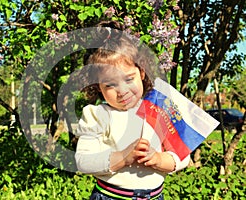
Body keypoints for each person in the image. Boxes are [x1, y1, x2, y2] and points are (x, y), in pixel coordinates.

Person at [73, 21, 190, 200]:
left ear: (142, 73)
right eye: (110, 84)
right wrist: (123, 157)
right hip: (111, 196)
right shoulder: (98, 115)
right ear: (98, 86)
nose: (122, 91)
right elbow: (83, 161)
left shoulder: (158, 108)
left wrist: (159, 159)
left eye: (129, 79)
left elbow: (183, 157)